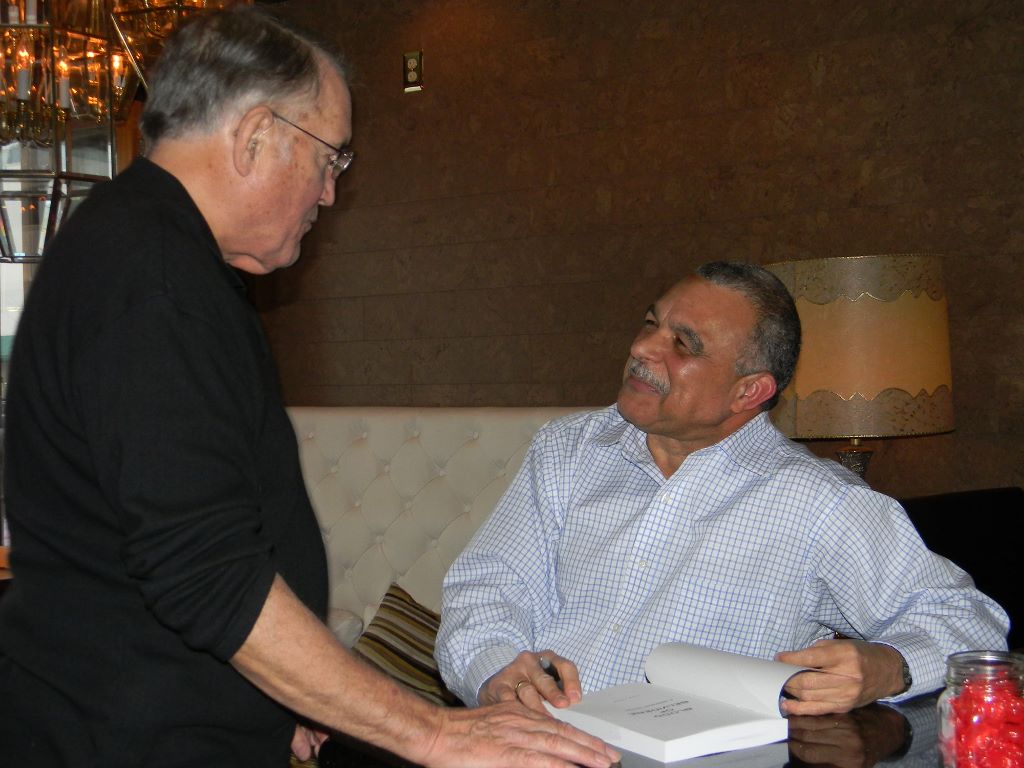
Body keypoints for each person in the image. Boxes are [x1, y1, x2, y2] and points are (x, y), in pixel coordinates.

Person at [0, 9, 619, 768]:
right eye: (332, 157)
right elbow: (208, 574)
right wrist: (432, 731)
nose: (329, 193)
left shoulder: (140, 245)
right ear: (256, 135)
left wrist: (275, 698)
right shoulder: (154, 282)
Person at [436, 261, 1009, 717]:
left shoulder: (817, 502)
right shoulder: (567, 450)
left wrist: (888, 666)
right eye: (650, 323)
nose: (643, 348)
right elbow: (488, 587)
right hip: (533, 743)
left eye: (684, 344)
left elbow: (968, 620)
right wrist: (494, 672)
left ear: (749, 391)